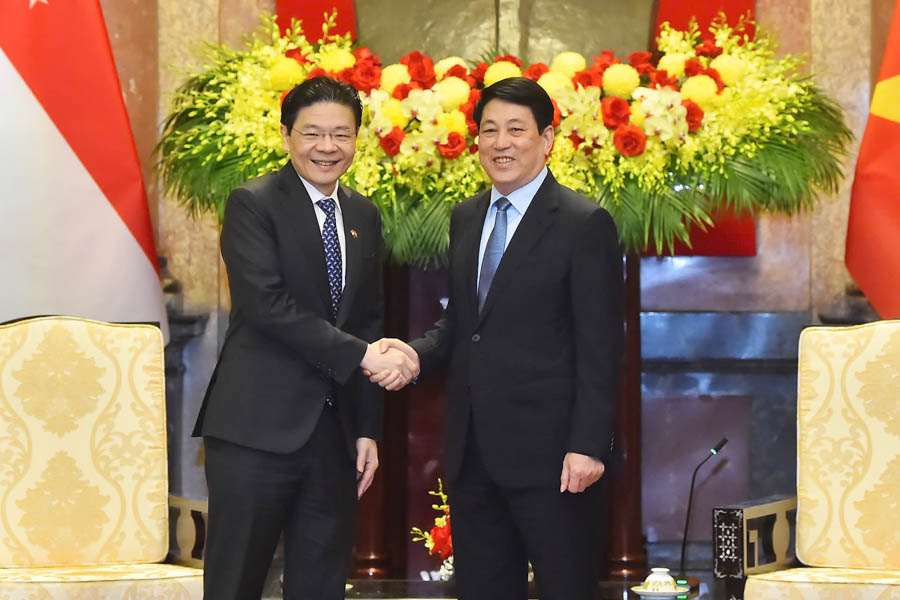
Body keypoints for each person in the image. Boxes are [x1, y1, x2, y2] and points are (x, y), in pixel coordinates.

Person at [374, 77, 624, 599]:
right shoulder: (467, 217)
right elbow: (466, 325)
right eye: (489, 130)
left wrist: (587, 446)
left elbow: (601, 347)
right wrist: (414, 356)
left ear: (547, 138)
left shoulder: (583, 223)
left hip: (556, 459)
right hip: (474, 455)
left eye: (516, 129)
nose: (500, 143)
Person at [193, 76, 417, 600]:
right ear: (287, 135)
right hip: (255, 430)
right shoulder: (253, 204)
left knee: (321, 582)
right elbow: (267, 306)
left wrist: (366, 428)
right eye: (313, 133)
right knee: (236, 581)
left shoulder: (363, 214)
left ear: (357, 140)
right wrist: (365, 355)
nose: (327, 147)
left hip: (333, 435)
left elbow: (368, 319)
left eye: (341, 135)